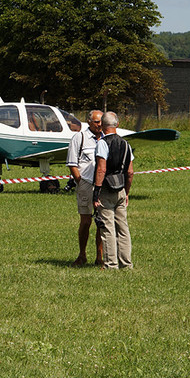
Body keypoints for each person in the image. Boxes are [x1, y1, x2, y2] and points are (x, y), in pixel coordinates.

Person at [93, 111, 134, 270]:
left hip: (106, 190)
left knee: (108, 228)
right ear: (117, 124)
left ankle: (111, 264)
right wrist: (127, 192)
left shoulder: (102, 143)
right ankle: (126, 263)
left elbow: (101, 170)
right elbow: (130, 172)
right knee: (123, 228)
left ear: (102, 126)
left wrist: (96, 193)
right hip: (121, 189)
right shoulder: (126, 144)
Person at [66, 110, 104, 266]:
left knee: (101, 222)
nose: (99, 125)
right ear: (89, 122)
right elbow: (72, 163)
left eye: (102, 121)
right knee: (86, 222)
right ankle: (82, 254)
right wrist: (80, 182)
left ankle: (100, 257)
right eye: (96, 122)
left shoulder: (106, 139)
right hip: (86, 184)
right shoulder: (79, 138)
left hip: (102, 186)